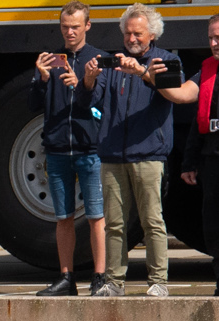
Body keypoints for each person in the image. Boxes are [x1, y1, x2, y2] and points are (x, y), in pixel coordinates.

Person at [96, 3, 198, 296]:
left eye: (138, 34)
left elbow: (172, 93)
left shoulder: (165, 60)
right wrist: (90, 78)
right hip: (113, 154)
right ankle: (114, 282)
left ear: (152, 35)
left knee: (152, 220)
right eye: (127, 33)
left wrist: (141, 72)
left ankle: (158, 282)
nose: (131, 39)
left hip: (149, 153)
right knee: (114, 223)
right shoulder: (113, 61)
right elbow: (94, 100)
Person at [34, 2, 109, 296]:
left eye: (75, 27)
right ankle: (66, 278)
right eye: (65, 27)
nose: (70, 32)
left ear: (87, 26)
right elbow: (32, 104)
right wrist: (41, 80)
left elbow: (102, 109)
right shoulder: (52, 59)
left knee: (95, 215)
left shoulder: (97, 59)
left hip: (89, 148)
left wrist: (82, 85)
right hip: (56, 148)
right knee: (63, 217)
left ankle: (100, 277)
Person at [182, 13, 219, 296]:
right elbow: (198, 122)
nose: (215, 43)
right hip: (211, 158)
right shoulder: (206, 71)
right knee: (213, 224)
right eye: (211, 38)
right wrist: (189, 162)